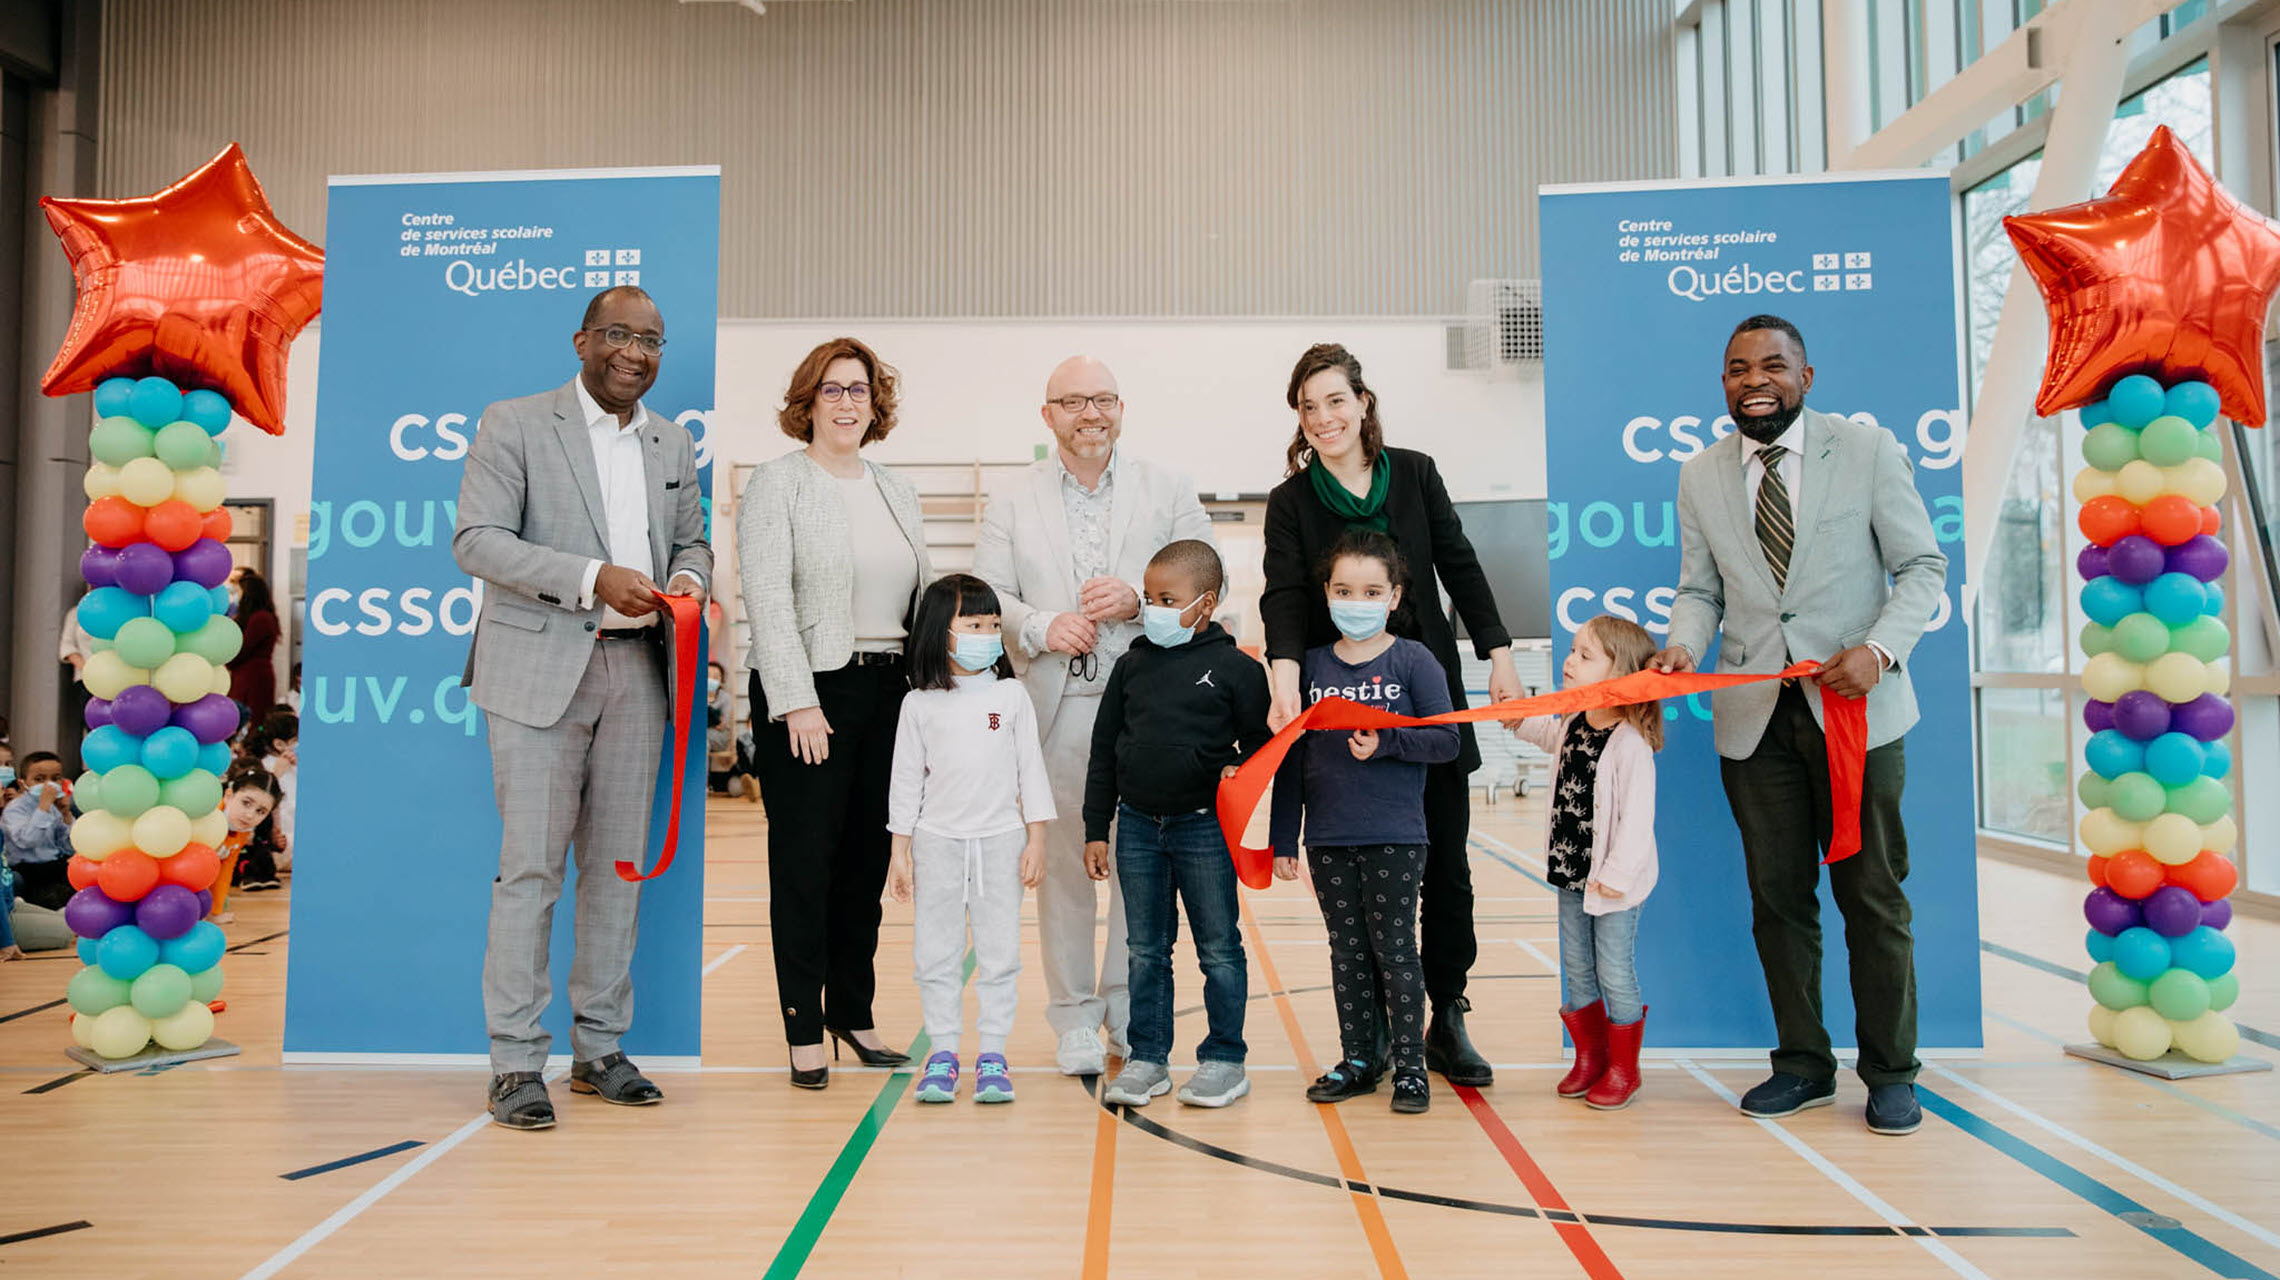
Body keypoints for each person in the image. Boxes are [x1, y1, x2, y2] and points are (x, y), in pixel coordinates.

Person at [1649, 314, 1947, 1137]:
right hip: (1753, 720)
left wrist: (1880, 651)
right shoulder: (1700, 474)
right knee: (1778, 902)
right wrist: (1681, 645)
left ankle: (1891, 1074)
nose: (1756, 380)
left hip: (1859, 715)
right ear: (1723, 385)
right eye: (1738, 368)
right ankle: (1804, 1065)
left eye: (1773, 366)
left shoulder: (1866, 451)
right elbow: (1700, 590)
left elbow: (1922, 567)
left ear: (1806, 377)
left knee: (1873, 899)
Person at [452, 285, 712, 1130]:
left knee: (617, 871)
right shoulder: (516, 423)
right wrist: (588, 577)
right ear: (582, 341)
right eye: (618, 335)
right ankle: (516, 1064)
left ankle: (600, 1048)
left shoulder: (672, 442)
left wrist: (688, 581)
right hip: (537, 672)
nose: (635, 352)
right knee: (530, 871)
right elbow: (477, 541)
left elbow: (692, 538)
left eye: (651, 340)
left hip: (641, 672)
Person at [1261, 342, 1523, 1088]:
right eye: (1308, 407)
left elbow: (1459, 563)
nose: (1323, 418)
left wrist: (1497, 651)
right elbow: (1284, 595)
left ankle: (1448, 1014)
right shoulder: (1292, 501)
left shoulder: (1414, 471)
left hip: (1427, 697)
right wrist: (1285, 670)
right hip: (1342, 710)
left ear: (1363, 402)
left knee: (1446, 864)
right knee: (1355, 880)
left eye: (1335, 400)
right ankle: (1369, 1032)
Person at [972, 355, 1214, 1077]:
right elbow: (987, 595)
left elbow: (1209, 581)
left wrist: (1144, 606)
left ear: (1121, 407)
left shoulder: (1168, 488)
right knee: (1070, 876)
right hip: (1057, 711)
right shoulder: (1011, 501)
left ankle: (1127, 1012)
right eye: (1073, 401)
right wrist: (1043, 624)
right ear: (1048, 415)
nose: (1091, 413)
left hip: (1152, 710)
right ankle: (1074, 1016)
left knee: (1140, 870)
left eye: (1103, 399)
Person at [736, 336, 931, 1090]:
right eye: (831, 390)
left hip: (891, 693)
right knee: (806, 866)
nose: (846, 402)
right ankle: (802, 1028)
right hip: (811, 692)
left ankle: (854, 1011)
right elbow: (768, 598)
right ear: (806, 402)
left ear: (874, 403)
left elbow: (921, 600)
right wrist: (795, 702)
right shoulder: (777, 484)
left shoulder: (897, 489)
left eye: (858, 390)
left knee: (867, 865)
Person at [1271, 531, 1459, 1114]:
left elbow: (1447, 739)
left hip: (1397, 836)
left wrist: (1385, 744)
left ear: (1395, 595)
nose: (1358, 599)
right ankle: (1359, 1060)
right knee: (1346, 953)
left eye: (1372, 590)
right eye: (1345, 589)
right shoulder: (1307, 666)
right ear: (1326, 594)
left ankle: (1409, 1066)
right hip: (1327, 837)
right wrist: (1283, 837)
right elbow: (1290, 758)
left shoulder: (1414, 660)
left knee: (1397, 952)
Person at [1088, 540, 1271, 1109]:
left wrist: (1235, 770)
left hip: (1203, 831)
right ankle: (1148, 1058)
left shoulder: (1239, 670)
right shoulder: (1130, 666)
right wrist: (1097, 827)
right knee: (1144, 948)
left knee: (1218, 948)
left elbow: (1262, 747)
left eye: (1168, 598)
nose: (1154, 608)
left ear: (1206, 604)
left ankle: (1224, 1059)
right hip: (1138, 829)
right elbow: (1103, 753)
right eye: (1149, 597)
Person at [884, 574, 1053, 1104]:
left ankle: (994, 1054)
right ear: (941, 629)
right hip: (937, 842)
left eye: (994, 624)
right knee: (936, 951)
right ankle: (942, 1052)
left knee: (1000, 953)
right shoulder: (919, 704)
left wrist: (1037, 839)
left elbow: (1031, 770)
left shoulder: (1011, 696)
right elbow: (906, 779)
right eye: (973, 623)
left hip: (1002, 840)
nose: (986, 633)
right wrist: (900, 851)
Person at [1513, 614, 1663, 1111]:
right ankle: (1590, 1058)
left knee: (1614, 972)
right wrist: (1516, 718)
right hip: (1571, 874)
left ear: (1618, 671)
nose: (1570, 661)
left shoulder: (1630, 745)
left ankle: (1625, 1069)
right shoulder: (1575, 722)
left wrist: (1616, 878)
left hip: (1612, 884)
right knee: (1578, 970)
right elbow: (1548, 735)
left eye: (1583, 655)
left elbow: (1638, 825)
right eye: (1573, 651)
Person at [209, 766, 283, 925]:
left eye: (261, 811)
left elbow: (224, 870)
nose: (250, 815)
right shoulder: (206, 817)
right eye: (246, 803)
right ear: (229, 795)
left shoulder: (241, 830)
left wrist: (215, 912)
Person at [2, 752, 75, 911]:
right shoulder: (15, 809)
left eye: (55, 778)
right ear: (23, 784)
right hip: (27, 870)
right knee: (54, 896)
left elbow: (68, 847)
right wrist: (43, 807)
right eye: (39, 779)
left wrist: (66, 814)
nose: (48, 785)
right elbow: (27, 841)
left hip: (54, 866)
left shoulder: (54, 809)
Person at [236, 711, 296, 890]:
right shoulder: (263, 767)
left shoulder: (299, 765)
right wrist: (276, 775)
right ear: (279, 744)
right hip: (277, 844)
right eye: (296, 741)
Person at [226, 567, 282, 725]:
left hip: (252, 676)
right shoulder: (258, 617)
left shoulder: (260, 619)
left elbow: (243, 649)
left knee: (250, 718)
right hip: (248, 674)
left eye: (238, 592)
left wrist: (227, 659)